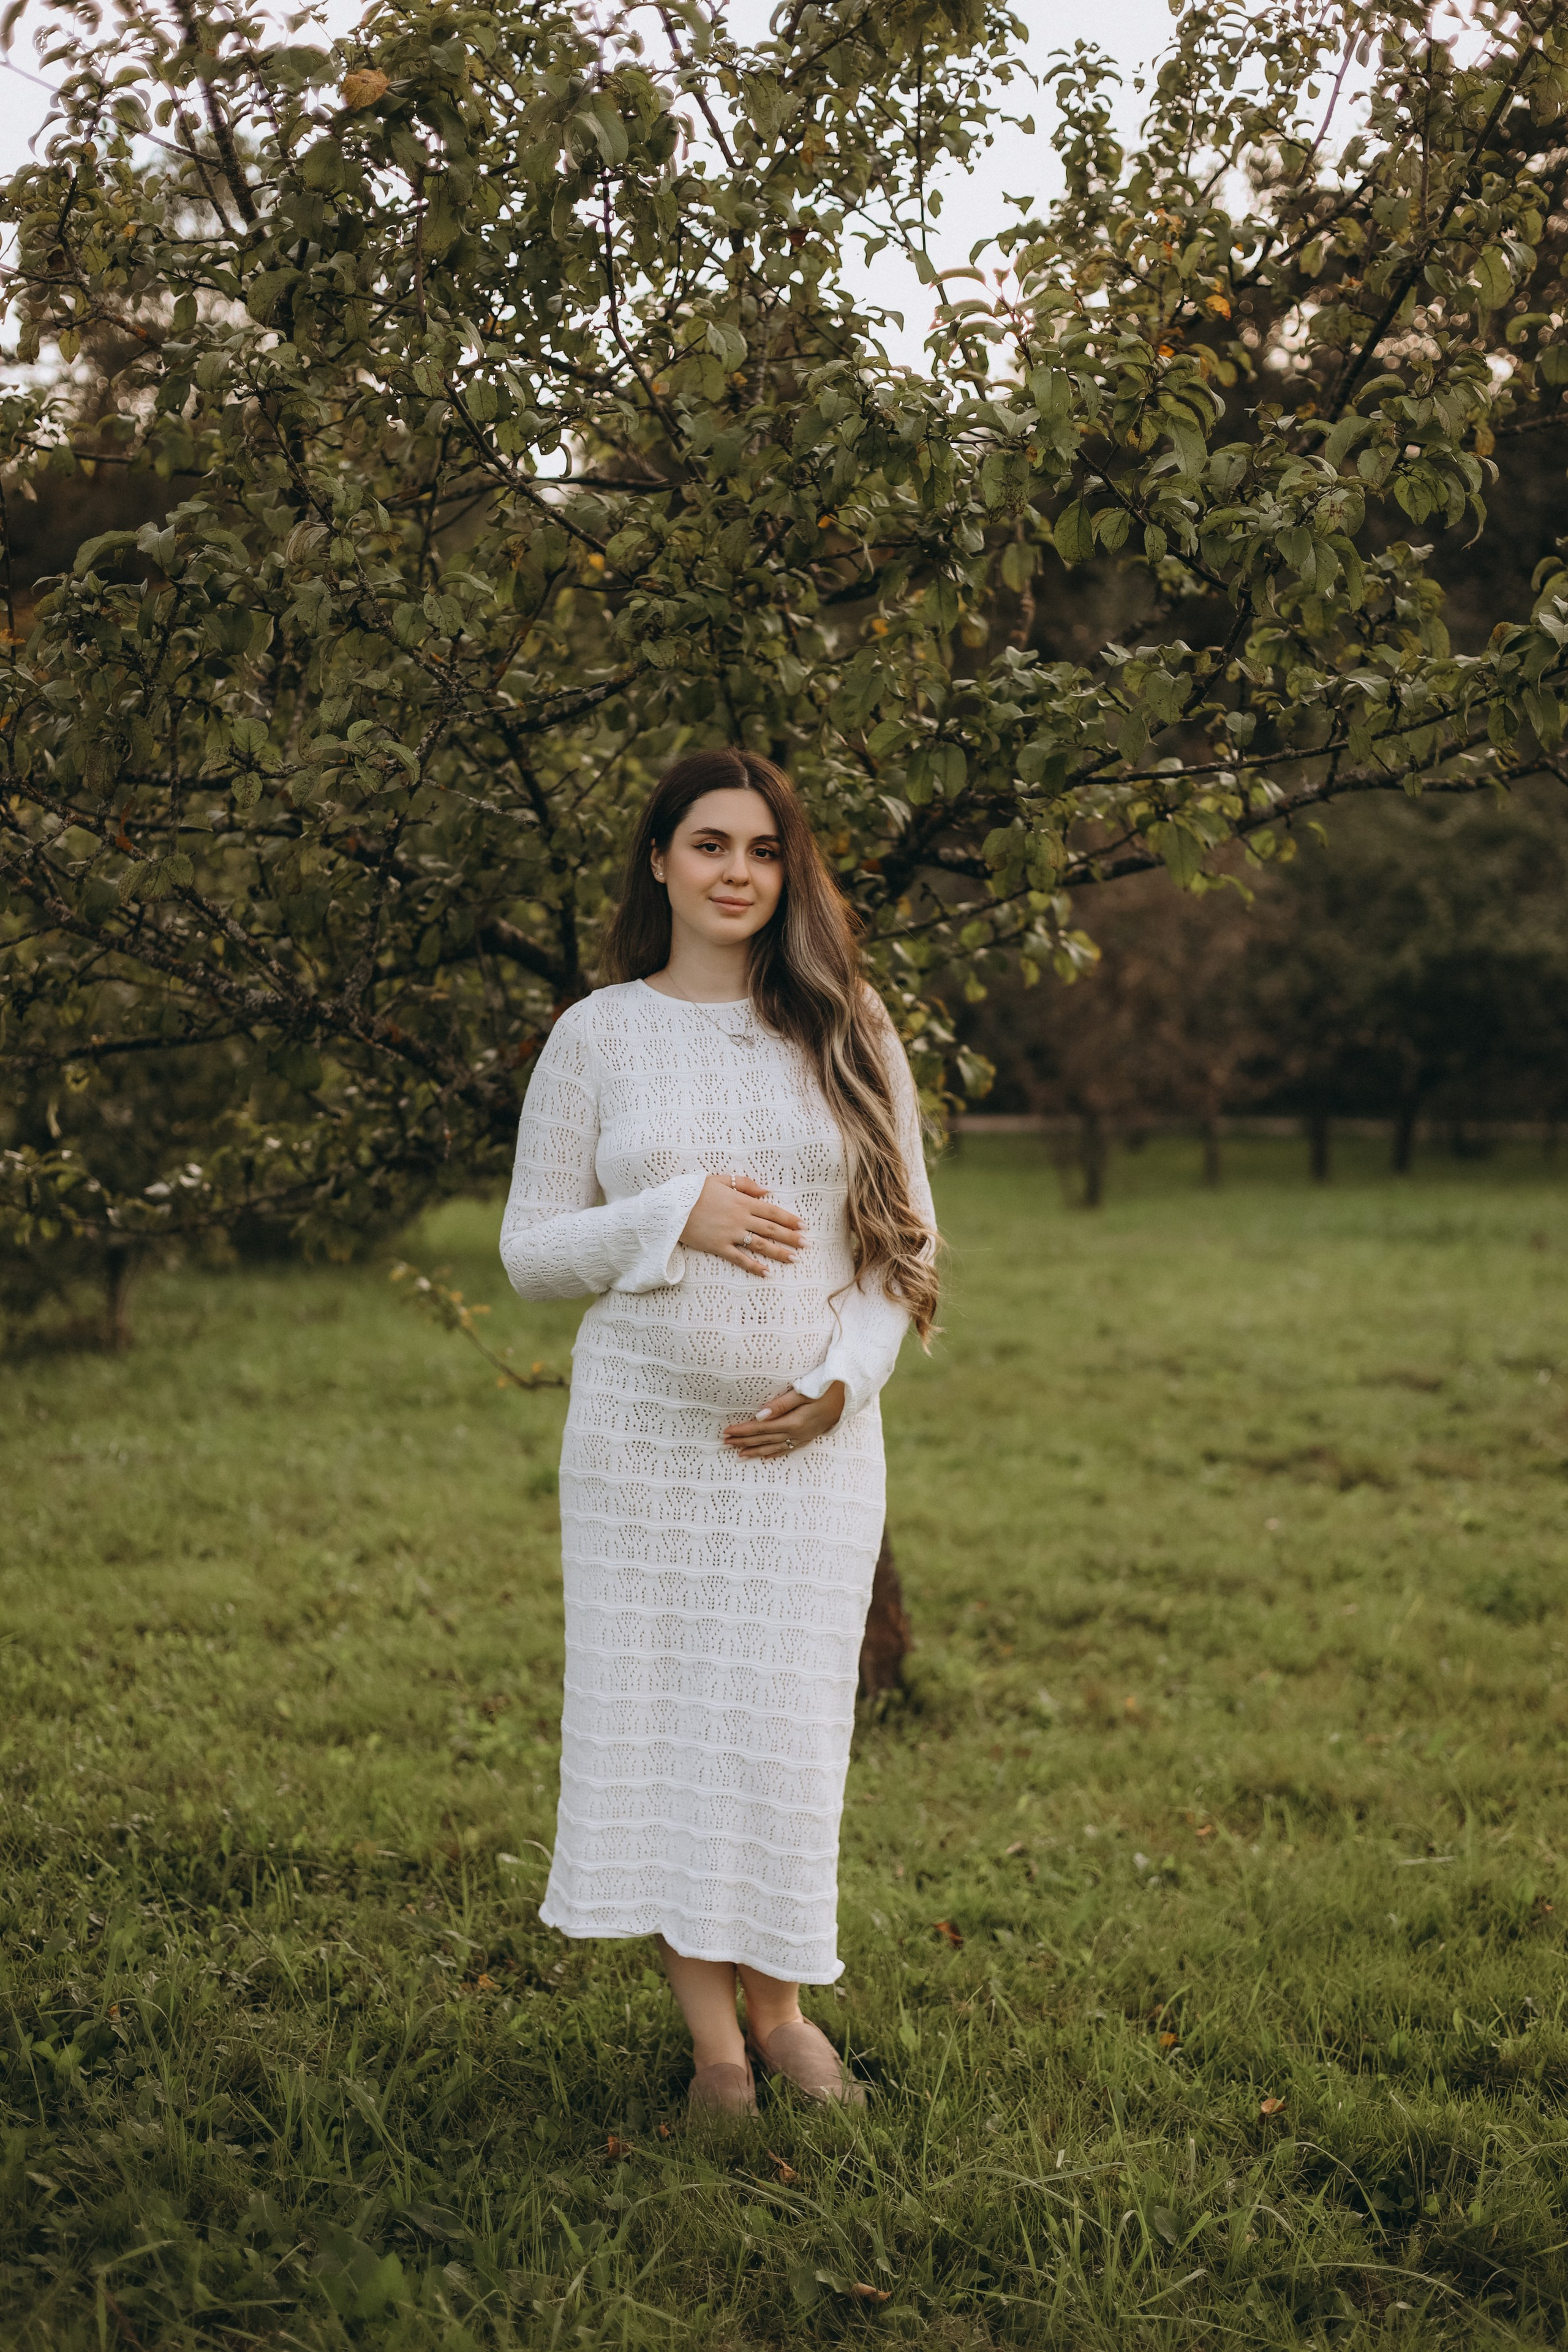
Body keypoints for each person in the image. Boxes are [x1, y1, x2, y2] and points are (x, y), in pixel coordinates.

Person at [499, 747, 938, 2117]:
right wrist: (668, 1214)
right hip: (642, 1451)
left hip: (809, 1460)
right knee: (665, 1729)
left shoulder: (848, 1026)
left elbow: (906, 1246)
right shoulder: (597, 1035)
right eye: (708, 844)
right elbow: (529, 1252)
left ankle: (785, 2013)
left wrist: (845, 1384)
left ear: (787, 869)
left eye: (761, 849)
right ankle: (714, 2052)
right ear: (659, 861)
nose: (736, 873)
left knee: (780, 1733)